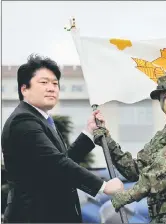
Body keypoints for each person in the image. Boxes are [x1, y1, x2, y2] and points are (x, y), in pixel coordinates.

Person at [1, 54, 124, 223]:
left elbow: (61, 163)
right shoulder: (23, 122)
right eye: (43, 83)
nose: (51, 88)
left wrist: (88, 133)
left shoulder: (42, 120)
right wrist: (103, 186)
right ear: (24, 89)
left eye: (55, 83)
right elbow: (56, 163)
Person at [94, 73, 166, 223]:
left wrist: (128, 195)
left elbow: (163, 171)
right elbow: (135, 171)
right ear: (160, 100)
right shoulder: (160, 137)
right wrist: (108, 142)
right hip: (161, 218)